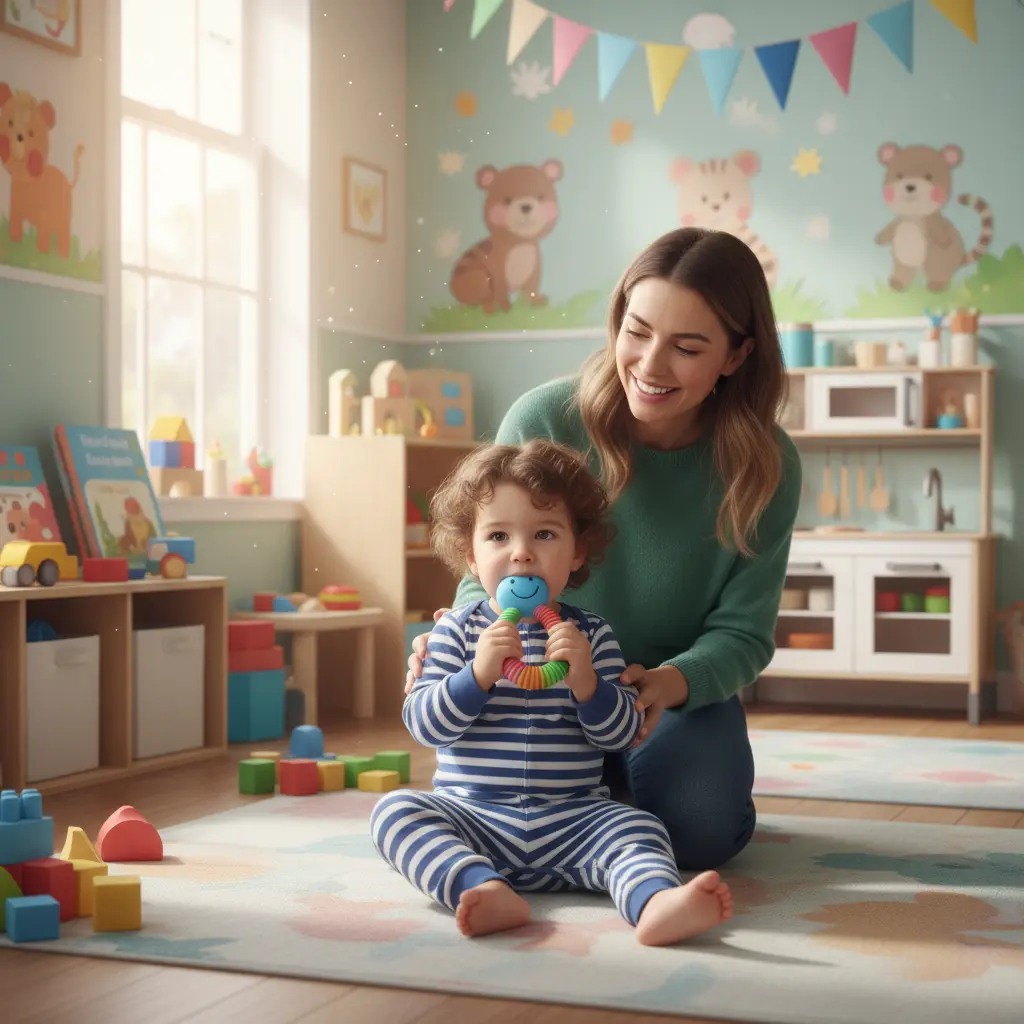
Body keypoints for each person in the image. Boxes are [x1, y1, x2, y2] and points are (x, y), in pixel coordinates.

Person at [406, 226, 802, 872]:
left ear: (736, 355)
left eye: (687, 348)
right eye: (636, 332)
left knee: (702, 836)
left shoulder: (766, 466)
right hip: (539, 681)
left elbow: (743, 634)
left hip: (664, 695)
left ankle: (602, 801)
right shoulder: (544, 419)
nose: (650, 365)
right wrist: (457, 638)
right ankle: (593, 801)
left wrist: (670, 682)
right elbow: (489, 566)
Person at [371, 439, 734, 944]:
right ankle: (480, 887)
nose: (521, 551)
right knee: (395, 813)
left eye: (544, 534)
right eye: (498, 536)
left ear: (576, 552)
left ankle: (656, 902)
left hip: (574, 821)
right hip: (475, 817)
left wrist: (588, 683)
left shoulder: (592, 636)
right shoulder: (454, 631)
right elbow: (425, 725)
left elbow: (622, 734)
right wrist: (476, 675)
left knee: (639, 828)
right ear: (471, 557)